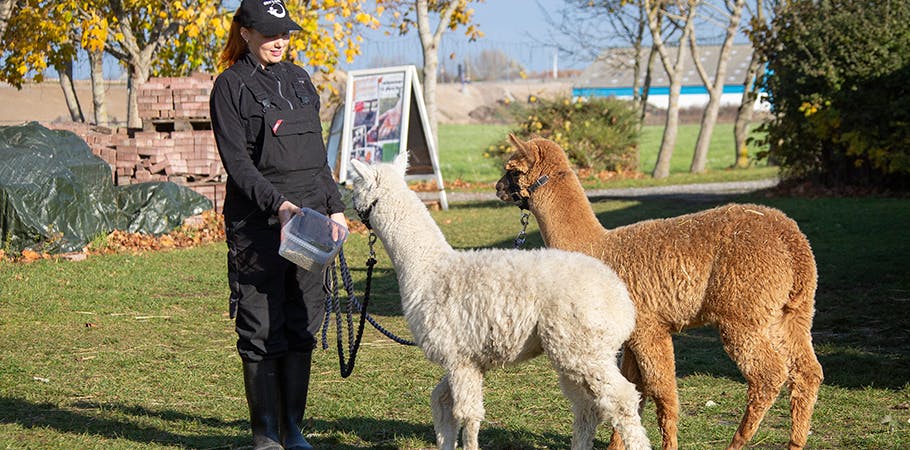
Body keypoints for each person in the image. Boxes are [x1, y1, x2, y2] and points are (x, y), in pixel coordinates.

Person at [209, 1, 347, 448]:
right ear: (245, 32)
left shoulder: (300, 80)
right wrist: (278, 204)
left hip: (310, 223)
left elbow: (316, 157)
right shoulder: (228, 87)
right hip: (259, 225)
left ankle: (293, 428)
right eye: (269, 33)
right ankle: (265, 433)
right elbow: (238, 164)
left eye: (284, 32)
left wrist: (335, 205)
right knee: (261, 323)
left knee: (303, 320)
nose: (279, 40)